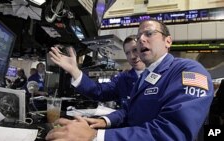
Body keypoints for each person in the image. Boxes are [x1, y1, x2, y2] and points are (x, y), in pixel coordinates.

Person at [46, 19, 214, 141]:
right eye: (139, 35)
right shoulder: (145, 77)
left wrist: (96, 135)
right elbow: (130, 111)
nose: (141, 39)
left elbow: (174, 133)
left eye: (149, 34)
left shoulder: (188, 71)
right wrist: (105, 121)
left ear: (168, 41)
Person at [49, 35, 145, 108]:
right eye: (127, 53)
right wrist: (74, 71)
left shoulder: (158, 76)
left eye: (135, 50)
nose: (132, 56)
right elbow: (98, 91)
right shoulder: (122, 79)